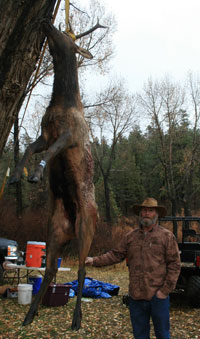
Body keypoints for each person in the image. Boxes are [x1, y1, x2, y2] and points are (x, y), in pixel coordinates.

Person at [85, 197, 181, 339]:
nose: (146, 213)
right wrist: (93, 260)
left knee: (163, 335)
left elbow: (175, 265)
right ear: (140, 214)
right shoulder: (130, 237)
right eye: (144, 210)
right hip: (136, 297)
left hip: (158, 297)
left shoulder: (166, 236)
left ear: (156, 214)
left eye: (150, 211)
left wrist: (164, 291)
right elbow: (115, 255)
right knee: (140, 335)